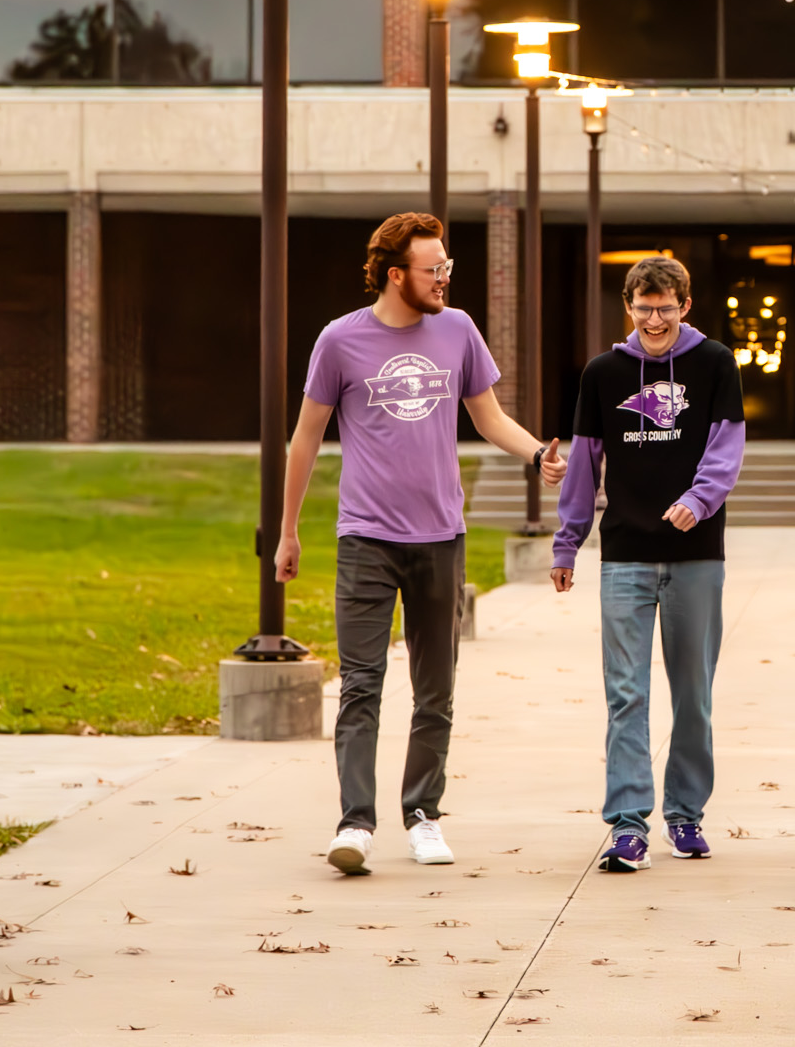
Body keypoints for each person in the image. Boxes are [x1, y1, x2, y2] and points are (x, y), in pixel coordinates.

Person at [277, 212, 567, 876]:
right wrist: (289, 530)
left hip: (441, 537)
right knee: (361, 685)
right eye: (433, 268)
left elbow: (487, 414)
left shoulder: (458, 329)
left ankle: (423, 814)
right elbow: (305, 438)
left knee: (435, 689)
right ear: (394, 273)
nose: (443, 278)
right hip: (366, 539)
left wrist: (535, 454)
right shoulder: (341, 340)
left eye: (447, 267)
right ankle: (355, 822)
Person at [550, 256, 745, 872]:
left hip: (695, 557)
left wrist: (698, 499)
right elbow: (583, 464)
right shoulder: (604, 374)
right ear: (629, 307)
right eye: (643, 307)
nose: (654, 318)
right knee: (626, 694)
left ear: (685, 305)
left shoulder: (714, 363)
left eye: (665, 307)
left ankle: (685, 816)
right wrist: (567, 541)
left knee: (693, 694)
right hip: (626, 556)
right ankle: (628, 827)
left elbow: (727, 445)